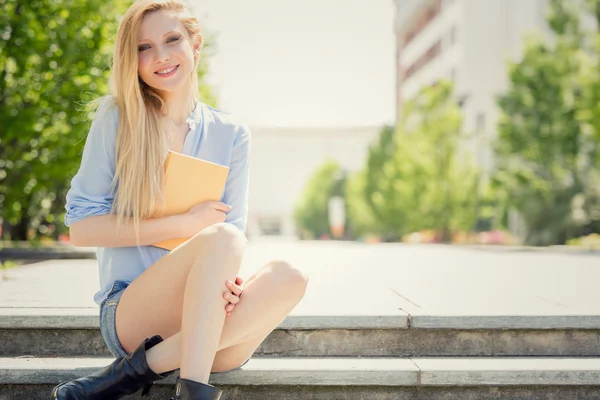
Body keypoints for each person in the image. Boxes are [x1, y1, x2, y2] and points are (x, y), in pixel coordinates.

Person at [51, 1, 309, 399]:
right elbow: (82, 229)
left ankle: (128, 375)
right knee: (222, 237)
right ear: (131, 59)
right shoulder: (117, 118)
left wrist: (233, 285)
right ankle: (193, 391)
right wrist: (185, 224)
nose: (161, 56)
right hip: (131, 313)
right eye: (143, 47)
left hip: (208, 327)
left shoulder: (232, 133)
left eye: (172, 40)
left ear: (195, 45)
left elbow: (234, 236)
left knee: (290, 275)